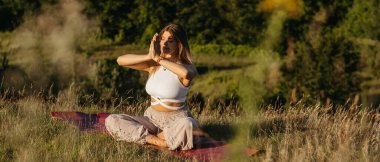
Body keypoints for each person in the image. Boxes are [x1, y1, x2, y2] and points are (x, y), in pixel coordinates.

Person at [105, 24, 201, 150]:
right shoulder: (153, 65)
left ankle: (151, 136)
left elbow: (186, 74)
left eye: (170, 41)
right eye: (162, 39)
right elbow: (120, 60)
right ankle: (158, 140)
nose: (165, 43)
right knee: (112, 120)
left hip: (176, 120)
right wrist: (149, 57)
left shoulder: (187, 66)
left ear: (179, 44)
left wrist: (158, 59)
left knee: (189, 124)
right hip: (151, 118)